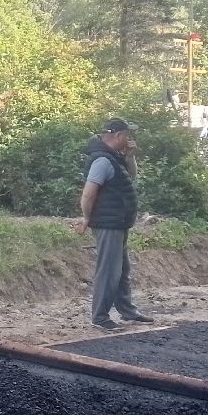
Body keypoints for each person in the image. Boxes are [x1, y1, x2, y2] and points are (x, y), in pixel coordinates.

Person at [75, 117, 154, 331]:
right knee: (109, 271)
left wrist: (130, 157)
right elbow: (88, 194)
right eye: (127, 134)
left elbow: (131, 177)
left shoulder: (114, 158)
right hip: (108, 224)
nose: (129, 138)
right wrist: (86, 218)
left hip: (118, 223)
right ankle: (100, 317)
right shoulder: (102, 160)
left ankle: (127, 311)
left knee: (122, 269)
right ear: (118, 136)